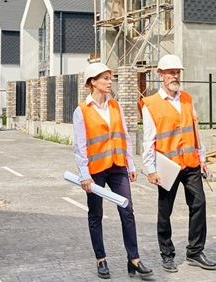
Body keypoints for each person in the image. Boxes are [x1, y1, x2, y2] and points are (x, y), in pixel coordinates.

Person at [73, 62, 153, 279]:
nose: (110, 82)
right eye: (105, 78)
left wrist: (131, 165)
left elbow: (124, 136)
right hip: (95, 171)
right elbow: (80, 146)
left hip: (118, 167)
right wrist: (84, 175)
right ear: (92, 82)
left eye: (110, 78)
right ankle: (101, 260)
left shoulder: (116, 106)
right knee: (96, 215)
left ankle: (134, 259)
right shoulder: (82, 111)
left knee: (127, 211)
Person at [141, 54, 216, 272]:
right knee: (165, 211)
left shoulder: (186, 99)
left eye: (177, 72)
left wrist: (202, 158)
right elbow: (149, 139)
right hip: (167, 166)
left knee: (199, 204)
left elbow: (194, 130)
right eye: (171, 72)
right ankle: (167, 254)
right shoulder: (151, 104)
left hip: (191, 164)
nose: (175, 76)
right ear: (161, 75)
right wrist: (151, 170)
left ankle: (195, 251)